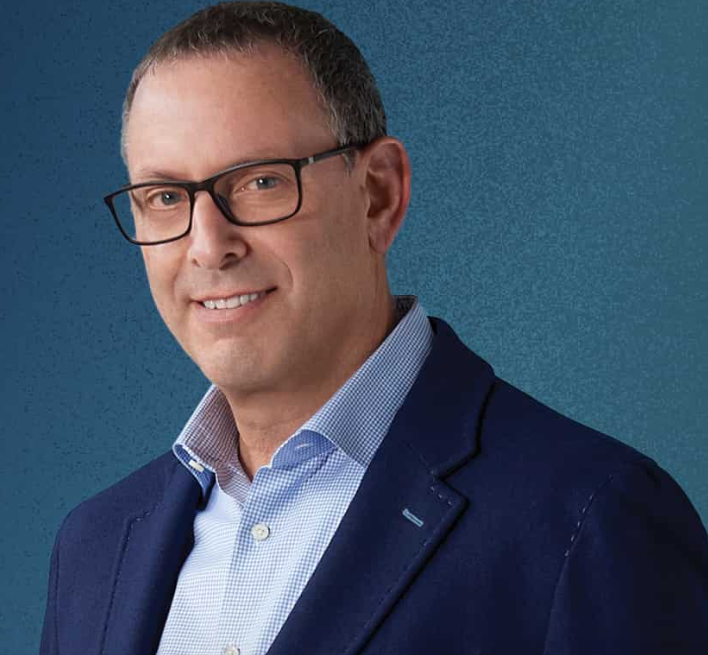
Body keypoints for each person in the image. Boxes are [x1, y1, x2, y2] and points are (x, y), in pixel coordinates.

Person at [40, 2, 708, 654]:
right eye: (164, 197)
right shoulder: (93, 547)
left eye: (261, 182)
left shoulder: (590, 517)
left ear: (378, 194)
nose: (209, 247)